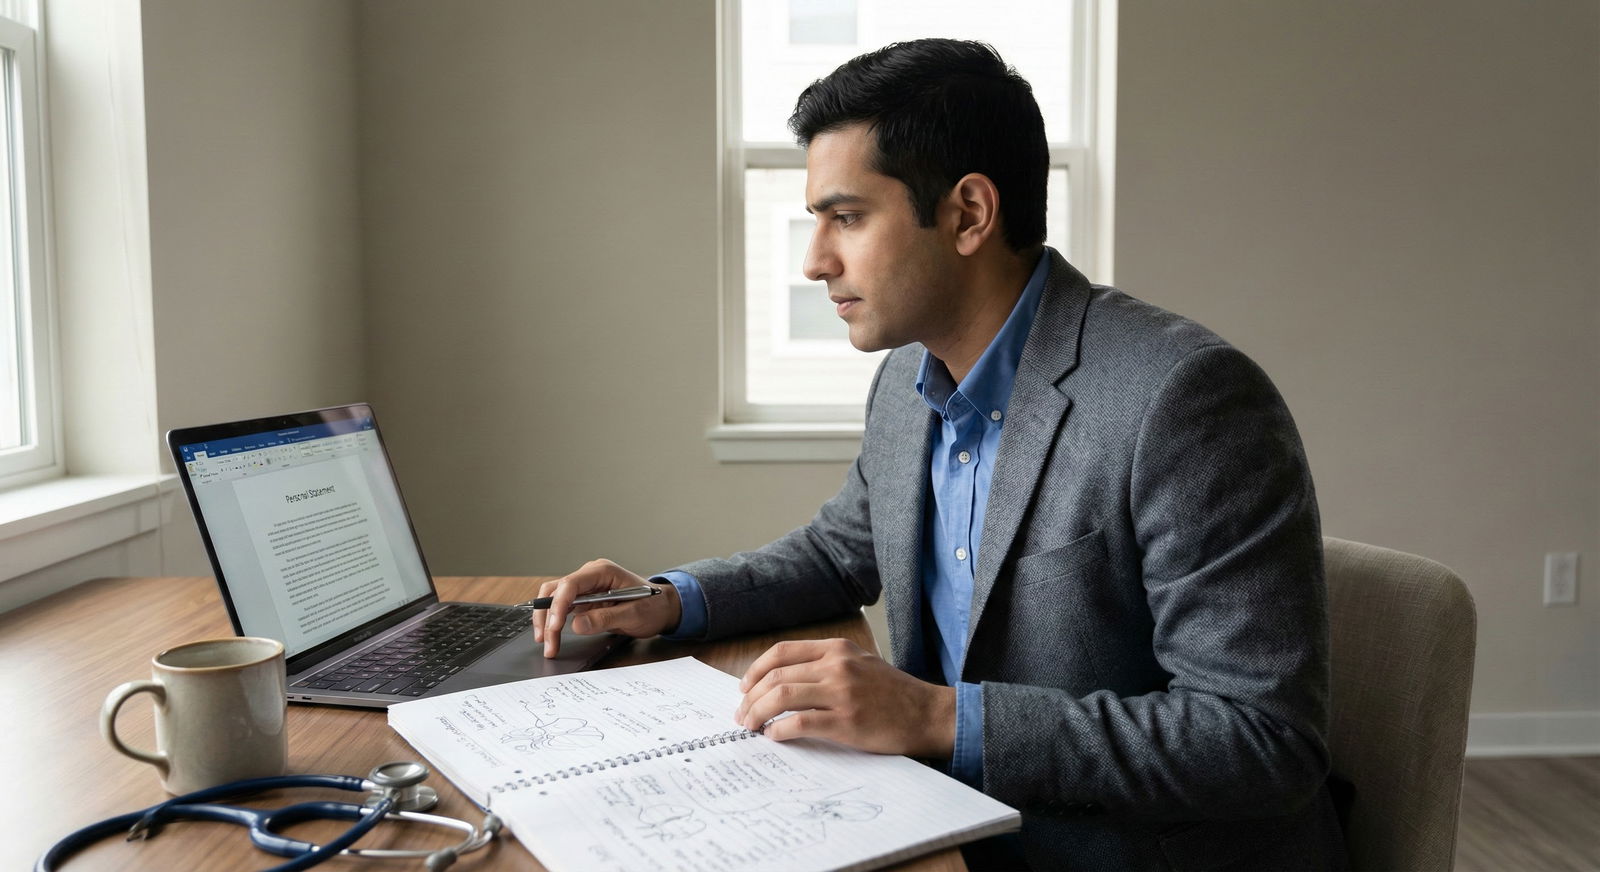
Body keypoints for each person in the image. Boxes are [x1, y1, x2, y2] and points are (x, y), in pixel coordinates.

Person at [534, 38, 1346, 871]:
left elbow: (1261, 740)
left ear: (967, 214)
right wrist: (666, 601)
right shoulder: (906, 380)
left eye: (846, 217)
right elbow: (840, 551)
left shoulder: (1185, 400)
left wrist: (936, 718)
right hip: (947, 824)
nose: (815, 261)